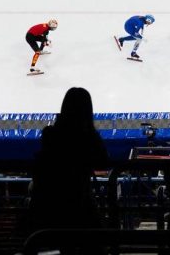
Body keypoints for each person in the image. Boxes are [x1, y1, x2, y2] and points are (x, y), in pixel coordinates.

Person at [27, 87, 109, 240]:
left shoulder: (50, 134)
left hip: (50, 205)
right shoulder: (89, 138)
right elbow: (103, 161)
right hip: (79, 203)